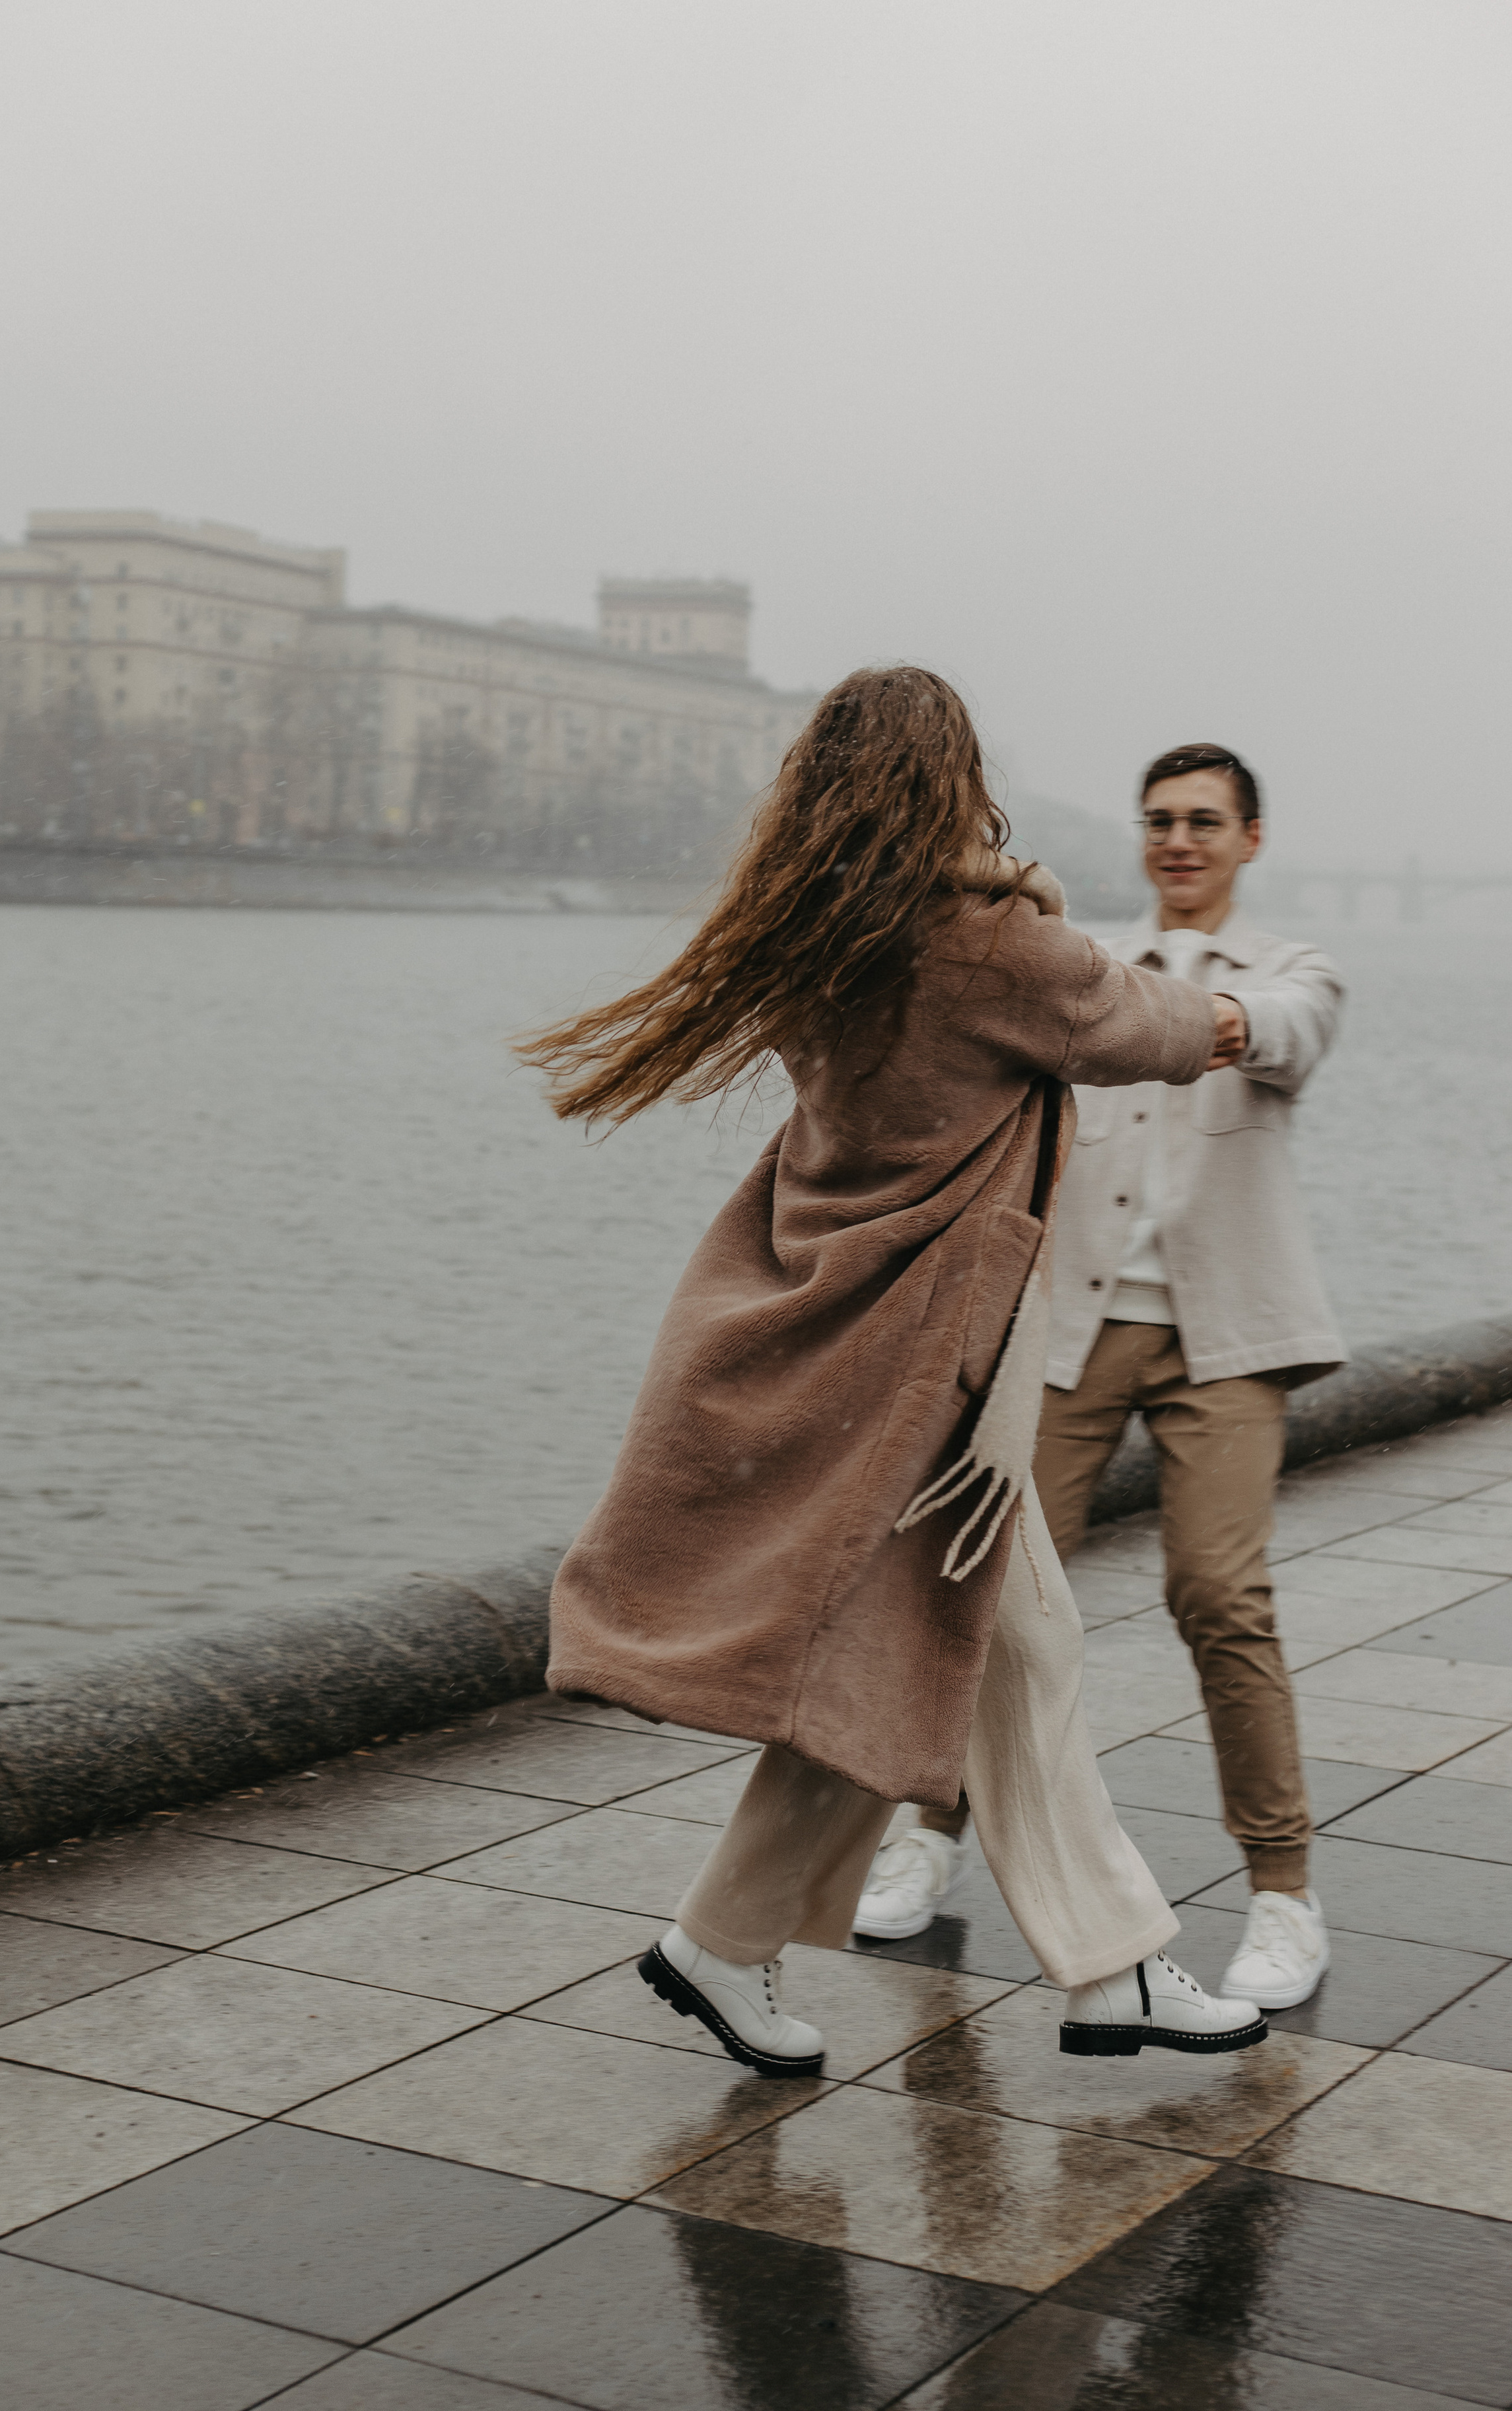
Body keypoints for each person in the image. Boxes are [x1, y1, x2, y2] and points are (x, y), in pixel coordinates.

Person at [519, 671, 1266, 2073]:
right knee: (1011, 1649)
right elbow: (1137, 1031)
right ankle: (1117, 1971)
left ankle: (723, 1946)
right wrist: (1239, 1021)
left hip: (840, 1335)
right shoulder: (985, 943)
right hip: (933, 1365)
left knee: (912, 1657)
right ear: (950, 779)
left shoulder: (815, 934)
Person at [853, 742, 1342, 2015]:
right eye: (1158, 821)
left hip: (1224, 1335)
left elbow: (1286, 1034)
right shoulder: (1078, 965)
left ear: (1250, 837)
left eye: (1202, 821)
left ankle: (1284, 1895)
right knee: (981, 1593)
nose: (1177, 840)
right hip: (1066, 1332)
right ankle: (928, 1836)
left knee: (1220, 1594)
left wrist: (1194, 1017)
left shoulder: (1290, 971)